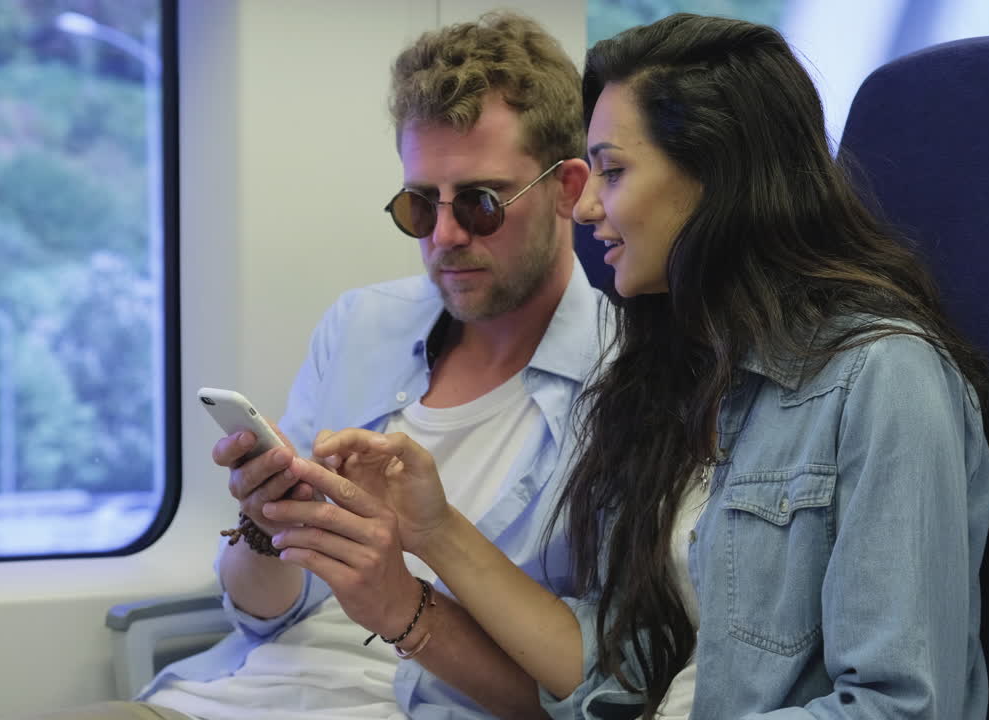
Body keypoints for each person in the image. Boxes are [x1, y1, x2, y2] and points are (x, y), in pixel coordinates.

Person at [271, 12, 989, 719]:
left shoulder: (885, 379)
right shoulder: (678, 371)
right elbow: (623, 670)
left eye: (613, 172)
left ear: (716, 178)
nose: (585, 208)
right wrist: (435, 531)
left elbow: (902, 706)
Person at [31, 11, 609, 720]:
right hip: (228, 697)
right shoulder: (362, 326)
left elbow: (589, 695)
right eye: (419, 205)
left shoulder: (627, 381)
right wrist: (265, 525)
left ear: (567, 188)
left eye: (481, 204)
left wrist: (401, 605)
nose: (445, 235)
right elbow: (268, 615)